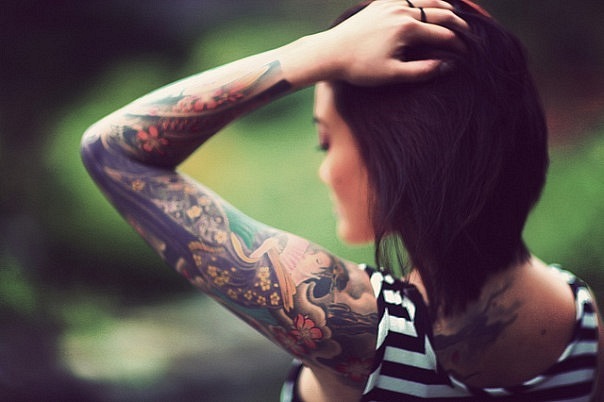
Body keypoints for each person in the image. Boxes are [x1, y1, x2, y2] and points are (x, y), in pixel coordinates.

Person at [80, 0, 603, 400]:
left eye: (325, 141)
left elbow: (113, 150)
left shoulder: (356, 329)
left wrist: (320, 51)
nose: (323, 169)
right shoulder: (580, 318)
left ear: (396, 154)